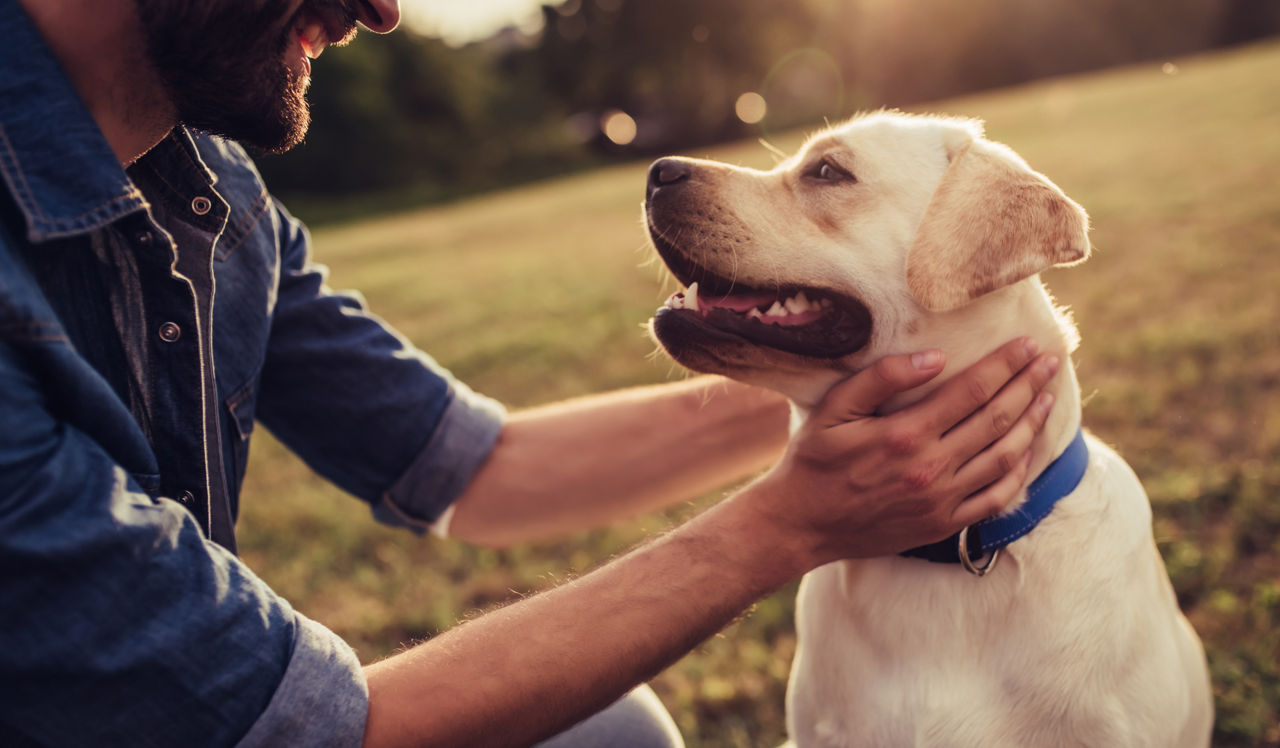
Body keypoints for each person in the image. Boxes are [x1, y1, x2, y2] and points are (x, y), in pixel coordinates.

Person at [0, 0, 1061, 745]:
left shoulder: (211, 197)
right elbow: (293, 732)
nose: (381, 10)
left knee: (607, 738)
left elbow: (481, 466)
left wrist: (875, 380)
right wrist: (790, 521)